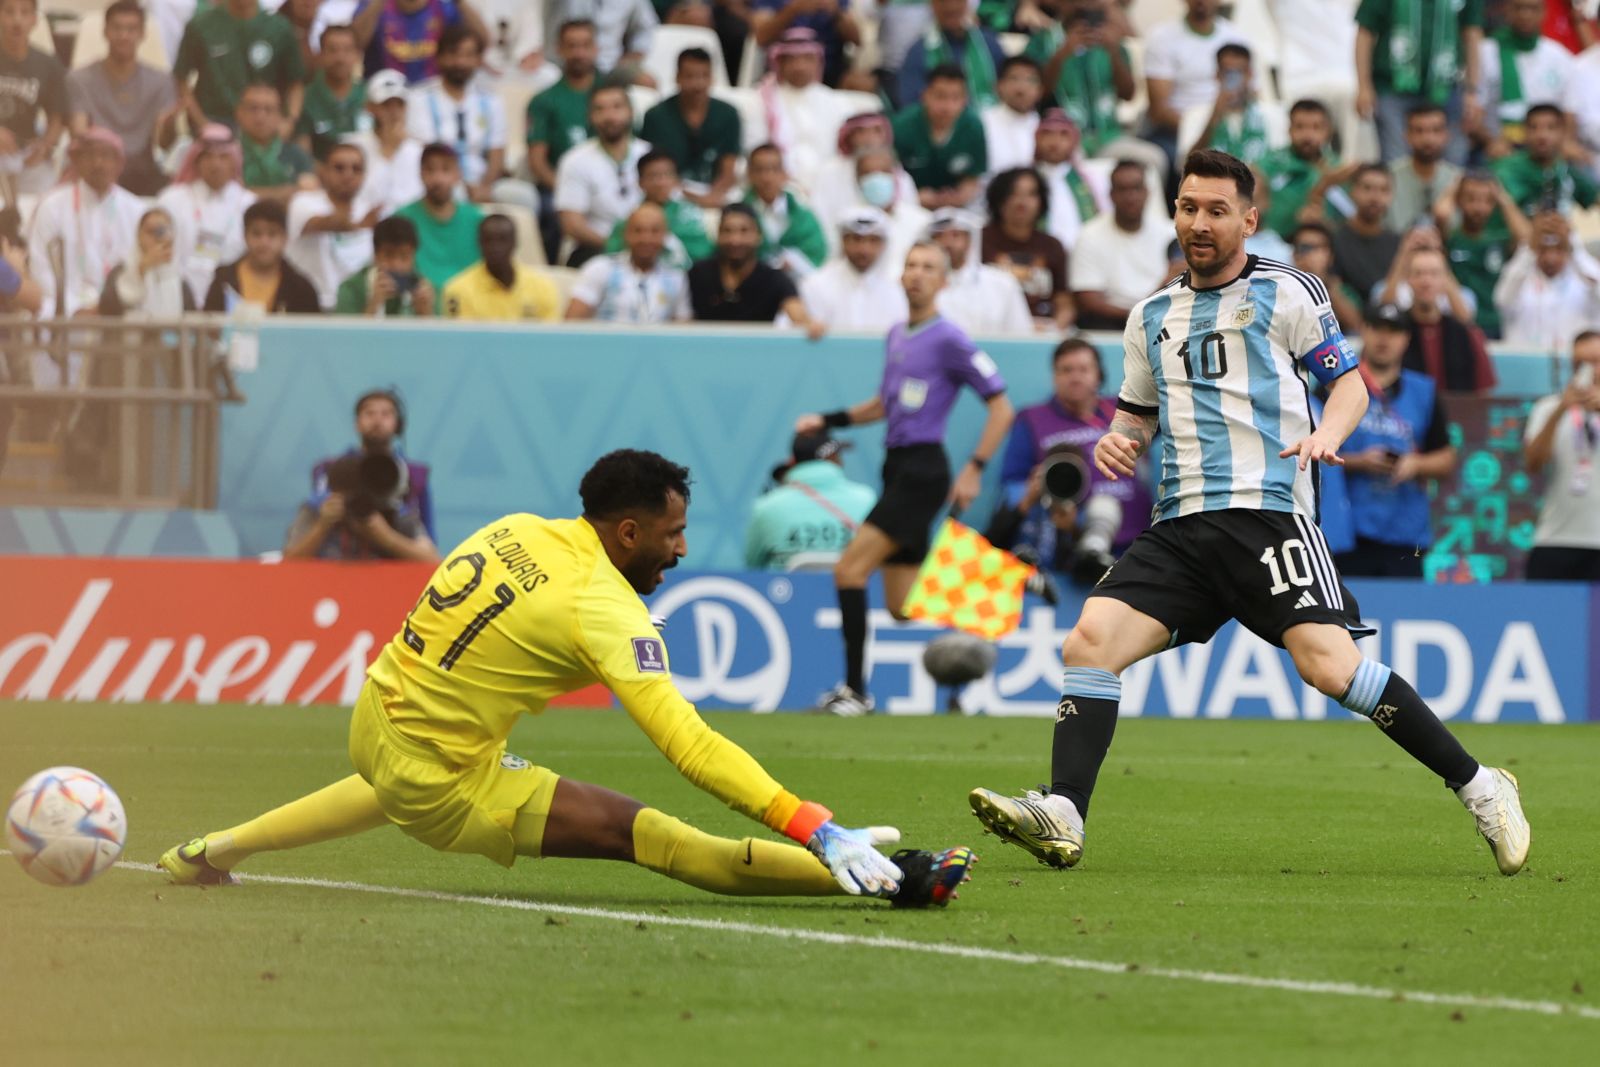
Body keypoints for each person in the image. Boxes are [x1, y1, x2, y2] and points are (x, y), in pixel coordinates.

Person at [967, 148, 1530, 880]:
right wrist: (1118, 439)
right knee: (1089, 641)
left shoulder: (1290, 292)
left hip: (1268, 513)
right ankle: (1066, 810)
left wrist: (1328, 433)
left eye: (1216, 210)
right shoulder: (1150, 315)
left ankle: (1482, 785)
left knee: (1330, 667)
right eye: (1188, 207)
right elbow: (1136, 418)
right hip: (1179, 525)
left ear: (1249, 219)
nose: (1199, 223)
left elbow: (1350, 387)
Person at [159, 448, 976, 908]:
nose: (682, 549)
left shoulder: (516, 525)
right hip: (444, 785)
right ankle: (893, 876)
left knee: (395, 770)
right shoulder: (602, 609)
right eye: (673, 533)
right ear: (628, 531)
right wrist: (811, 821)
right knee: (656, 838)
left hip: (376, 719)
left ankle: (212, 848)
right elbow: (687, 744)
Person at [796, 241, 1014, 715]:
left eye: (928, 268)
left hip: (923, 471)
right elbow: (881, 405)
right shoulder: (897, 333)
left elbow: (1001, 408)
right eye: (910, 265)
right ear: (900, 276)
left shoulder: (950, 339)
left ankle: (855, 692)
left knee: (849, 570)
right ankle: (1006, 584)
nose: (916, 274)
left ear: (943, 281)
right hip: (897, 468)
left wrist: (974, 467)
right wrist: (827, 420)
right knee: (900, 604)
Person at [992, 337, 1152, 576]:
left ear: (1099, 375)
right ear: (1054, 376)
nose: (1075, 377)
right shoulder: (1032, 419)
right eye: (1066, 370)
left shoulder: (1125, 412)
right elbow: (1012, 484)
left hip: (1136, 544)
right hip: (1066, 541)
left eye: (1084, 369)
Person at [1334, 302, 1455, 578]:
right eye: (1377, 328)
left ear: (1406, 338)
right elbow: (1309, 450)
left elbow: (1446, 459)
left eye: (1394, 331)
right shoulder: (1335, 385)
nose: (1384, 338)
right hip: (1347, 531)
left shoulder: (1423, 391)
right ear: (1363, 330)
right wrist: (1358, 462)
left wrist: (1415, 464)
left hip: (1405, 532)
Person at [282, 388, 439, 561]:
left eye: (386, 414)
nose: (377, 420)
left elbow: (432, 557)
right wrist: (323, 524)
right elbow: (290, 558)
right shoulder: (331, 470)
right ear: (357, 423)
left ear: (397, 424)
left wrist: (385, 537)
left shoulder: (412, 479)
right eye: (369, 413)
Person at [27, 128, 145, 317]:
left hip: (119, 315)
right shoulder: (52, 206)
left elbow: (141, 270)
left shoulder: (136, 211)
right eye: (90, 155)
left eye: (106, 156)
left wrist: (109, 307)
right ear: (76, 161)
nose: (98, 163)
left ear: (119, 163)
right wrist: (75, 308)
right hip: (65, 313)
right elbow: (40, 267)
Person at [66, 0, 179, 196]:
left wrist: (170, 125)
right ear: (105, 31)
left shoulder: (161, 81)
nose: (123, 36)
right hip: (96, 166)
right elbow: (79, 133)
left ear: (142, 33)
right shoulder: (79, 79)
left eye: (131, 29)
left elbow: (164, 143)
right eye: (117, 28)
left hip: (142, 171)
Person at [1354, 0, 1483, 165]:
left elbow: (1472, 33)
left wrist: (1471, 91)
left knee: (1453, 160)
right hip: (1393, 87)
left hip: (1447, 88)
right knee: (1396, 160)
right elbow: (1365, 32)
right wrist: (1364, 86)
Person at [1024, 2, 1144, 166]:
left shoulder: (1111, 41)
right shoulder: (1042, 41)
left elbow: (1128, 95)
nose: (1084, 5)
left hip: (1107, 137)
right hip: (1058, 138)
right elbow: (1036, 94)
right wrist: (1063, 53)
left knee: (1151, 159)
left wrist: (1113, 52)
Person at [1523, 331, 1600, 581]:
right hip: (1556, 537)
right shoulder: (1548, 408)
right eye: (1581, 362)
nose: (1590, 369)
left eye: (1596, 360)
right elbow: (1533, 463)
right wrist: (1560, 411)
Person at [405, 24, 510, 204]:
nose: (460, 62)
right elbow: (425, 151)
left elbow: (496, 154)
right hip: (438, 180)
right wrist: (461, 185)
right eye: (453, 54)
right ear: (439, 58)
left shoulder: (491, 101)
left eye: (468, 55)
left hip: (482, 181)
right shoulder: (419, 98)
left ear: (479, 60)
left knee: (522, 196)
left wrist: (484, 187)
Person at [1141, 0, 1248, 173]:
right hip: (1176, 131)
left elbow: (1251, 92)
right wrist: (1201, 126)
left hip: (1227, 125)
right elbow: (1159, 111)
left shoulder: (1236, 37)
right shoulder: (1161, 37)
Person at [1070, 160, 1176, 332]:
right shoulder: (1089, 235)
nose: (1130, 197)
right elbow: (1089, 301)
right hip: (1110, 325)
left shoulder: (1172, 233)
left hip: (1163, 320)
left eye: (1136, 188)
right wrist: (1141, 314)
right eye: (1122, 189)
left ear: (1147, 192)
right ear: (1110, 195)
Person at [747, 431, 877, 570]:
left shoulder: (766, 506)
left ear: (794, 463)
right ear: (833, 458)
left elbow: (752, 568)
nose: (842, 461)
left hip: (790, 591)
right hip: (857, 591)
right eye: (839, 455)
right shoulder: (867, 499)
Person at [527, 19, 600, 258]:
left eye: (585, 45)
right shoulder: (544, 101)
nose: (579, 53)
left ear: (596, 48)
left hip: (608, 187)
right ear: (559, 49)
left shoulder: (613, 97)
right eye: (572, 46)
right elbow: (537, 162)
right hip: (559, 187)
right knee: (549, 211)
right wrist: (570, 191)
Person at [159, 125, 257, 302]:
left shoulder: (249, 203)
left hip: (231, 297)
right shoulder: (171, 199)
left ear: (234, 161)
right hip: (178, 297)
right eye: (208, 157)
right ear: (196, 160)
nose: (215, 164)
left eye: (223, 157)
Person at [688, 203, 821, 332]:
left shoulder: (774, 279)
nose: (735, 240)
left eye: (744, 231)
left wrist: (810, 326)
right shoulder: (698, 274)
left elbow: (799, 316)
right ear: (718, 235)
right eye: (727, 231)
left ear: (759, 235)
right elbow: (680, 320)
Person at [556, 84, 649, 266]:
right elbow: (572, 224)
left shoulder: (650, 155)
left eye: (617, 107)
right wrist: (617, 246)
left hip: (649, 246)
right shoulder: (575, 160)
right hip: (598, 247)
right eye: (600, 109)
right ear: (591, 116)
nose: (609, 116)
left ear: (630, 112)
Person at [175, 0, 306, 129]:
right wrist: (203, 124)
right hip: (216, 122)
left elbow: (296, 83)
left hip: (263, 126)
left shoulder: (279, 28)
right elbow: (181, 78)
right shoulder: (200, 25)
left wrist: (289, 122)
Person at [640, 47, 741, 207]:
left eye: (704, 76)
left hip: (715, 194)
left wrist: (712, 196)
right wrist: (695, 199)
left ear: (712, 78)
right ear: (677, 77)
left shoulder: (728, 114)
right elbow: (652, 169)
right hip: (669, 194)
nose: (698, 84)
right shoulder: (656, 116)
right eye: (690, 76)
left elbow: (728, 170)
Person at [758, 28, 853, 192]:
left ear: (818, 62)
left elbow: (845, 154)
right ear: (779, 63)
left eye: (807, 59)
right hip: (778, 186)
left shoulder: (837, 103)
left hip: (830, 186)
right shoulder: (762, 101)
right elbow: (757, 151)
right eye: (792, 60)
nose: (799, 67)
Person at [287, 142, 380, 309]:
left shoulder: (369, 210)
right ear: (323, 172)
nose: (348, 175)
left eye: (356, 169)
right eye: (339, 168)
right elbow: (321, 223)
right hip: (310, 306)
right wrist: (356, 225)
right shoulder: (304, 202)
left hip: (355, 308)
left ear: (364, 175)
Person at [1437, 170, 1528, 340]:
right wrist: (1454, 187)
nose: (1478, 207)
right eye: (1470, 199)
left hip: (1494, 323)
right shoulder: (1450, 237)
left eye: (1487, 201)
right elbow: (1441, 215)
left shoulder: (1499, 239)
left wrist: (1503, 199)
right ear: (1458, 200)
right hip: (1456, 322)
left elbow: (1527, 241)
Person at [1476, 0, 1574, 157]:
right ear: (1506, 10)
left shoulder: (1559, 57)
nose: (1525, 14)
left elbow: (1570, 111)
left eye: (1532, 8)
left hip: (1548, 148)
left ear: (1544, 12)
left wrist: (1564, 142)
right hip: (1498, 145)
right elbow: (1474, 112)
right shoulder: (1484, 52)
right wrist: (1491, 141)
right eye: (1519, 7)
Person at [566, 202, 692, 322]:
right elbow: (572, 324)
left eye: (655, 231)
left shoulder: (676, 277)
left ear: (665, 235)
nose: (646, 239)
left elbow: (683, 330)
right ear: (626, 234)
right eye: (638, 230)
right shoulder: (600, 268)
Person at [1493, 212, 1600, 353]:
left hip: (1574, 366)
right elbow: (1501, 299)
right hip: (1526, 367)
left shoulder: (1584, 282)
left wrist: (1574, 244)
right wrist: (1528, 246)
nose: (1550, 258)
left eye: (1559, 250)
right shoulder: (1520, 281)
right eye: (1543, 250)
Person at [981, 166, 1071, 330]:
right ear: (999, 198)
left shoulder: (1052, 245)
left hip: (1044, 329)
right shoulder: (980, 241)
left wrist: (1054, 330)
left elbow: (1064, 301)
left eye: (1031, 194)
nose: (1022, 202)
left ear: (1041, 201)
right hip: (994, 328)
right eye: (1014, 193)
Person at [1398, 244, 1496, 393]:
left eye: (1434, 274)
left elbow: (1482, 394)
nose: (1426, 282)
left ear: (1445, 280)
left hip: (1458, 413)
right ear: (1407, 279)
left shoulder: (1467, 334)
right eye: (1418, 273)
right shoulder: (1393, 330)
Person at [1256, 98, 1353, 241]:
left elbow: (1351, 220)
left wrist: (1324, 224)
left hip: (1328, 247)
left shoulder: (1340, 170)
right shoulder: (1269, 164)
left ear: (1328, 131)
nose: (1308, 135)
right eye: (1300, 127)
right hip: (1276, 246)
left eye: (1316, 127)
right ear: (1289, 130)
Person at [893, 64, 987, 210]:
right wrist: (915, 196)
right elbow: (892, 176)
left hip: (957, 208)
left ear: (965, 100)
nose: (947, 106)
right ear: (925, 95)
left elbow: (973, 178)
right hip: (910, 205)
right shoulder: (902, 127)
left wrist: (959, 197)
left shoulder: (973, 127)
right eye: (940, 96)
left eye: (955, 98)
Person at [204, 198, 324, 313]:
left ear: (285, 238)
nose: (264, 243)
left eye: (272, 234)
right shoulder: (223, 280)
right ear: (245, 236)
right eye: (256, 234)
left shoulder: (301, 289)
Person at [797, 207, 907, 332]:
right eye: (856, 239)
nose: (864, 249)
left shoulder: (898, 289)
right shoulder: (816, 285)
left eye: (872, 240)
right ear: (843, 241)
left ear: (883, 244)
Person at [927, 206, 1032, 336]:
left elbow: (1021, 336)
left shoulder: (1002, 284)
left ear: (970, 240)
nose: (948, 242)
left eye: (956, 235)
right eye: (939, 236)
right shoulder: (920, 284)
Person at [395, 143, 487, 291]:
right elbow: (396, 272)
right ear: (420, 174)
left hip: (469, 308)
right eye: (430, 170)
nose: (438, 178)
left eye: (446, 169)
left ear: (458, 174)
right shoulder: (401, 220)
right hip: (418, 307)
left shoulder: (477, 219)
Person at [0, 0, 69, 196]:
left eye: (24, 12)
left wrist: (45, 145)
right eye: (9, 12)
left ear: (35, 19)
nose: (17, 20)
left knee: (45, 201)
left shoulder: (48, 64)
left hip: (25, 155)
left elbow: (57, 117)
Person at [1177, 42, 1285, 167]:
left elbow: (1281, 164)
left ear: (1250, 74)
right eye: (1228, 73)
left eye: (1239, 73)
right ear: (1217, 75)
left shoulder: (1272, 114)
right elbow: (1185, 166)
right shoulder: (1195, 115)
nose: (1234, 81)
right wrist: (1214, 117)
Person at [603, 150, 712, 271]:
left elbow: (704, 254)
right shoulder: (629, 219)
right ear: (640, 182)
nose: (661, 182)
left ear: (676, 180)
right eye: (653, 176)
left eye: (668, 175)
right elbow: (613, 256)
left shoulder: (690, 215)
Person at [442, 213, 561, 321]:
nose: (495, 247)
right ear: (479, 243)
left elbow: (550, 339)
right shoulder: (457, 290)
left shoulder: (542, 288)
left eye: (503, 240)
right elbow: (461, 340)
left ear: (514, 243)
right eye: (488, 240)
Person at [1491, 104, 1598, 218]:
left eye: (1551, 128)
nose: (1542, 135)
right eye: (1534, 128)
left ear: (1562, 132)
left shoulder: (1567, 170)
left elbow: (1594, 197)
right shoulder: (1505, 169)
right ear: (1524, 132)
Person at [897, 0, 1006, 110]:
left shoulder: (989, 44)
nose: (951, 7)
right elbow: (911, 104)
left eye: (957, 1)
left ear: (967, 3)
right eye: (943, 2)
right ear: (932, 5)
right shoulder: (919, 52)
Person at [352, 0, 490, 85]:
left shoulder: (444, 9)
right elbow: (354, 45)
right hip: (383, 99)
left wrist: (460, 1)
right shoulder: (371, 6)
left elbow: (484, 41)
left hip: (432, 100)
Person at [742, 143, 826, 275]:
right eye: (760, 170)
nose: (767, 177)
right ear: (749, 174)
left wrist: (794, 262)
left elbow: (816, 257)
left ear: (785, 174)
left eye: (774, 169)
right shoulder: (738, 214)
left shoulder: (803, 215)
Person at [97, 206, 197, 317]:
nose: (157, 238)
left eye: (162, 231)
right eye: (150, 231)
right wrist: (141, 270)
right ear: (139, 235)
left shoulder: (180, 281)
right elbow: (107, 310)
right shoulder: (120, 272)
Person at [349, 69, 425, 216]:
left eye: (399, 105)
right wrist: (388, 151)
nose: (394, 112)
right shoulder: (352, 147)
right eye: (386, 105)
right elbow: (361, 199)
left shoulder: (418, 151)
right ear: (370, 108)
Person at [335, 214, 437, 316]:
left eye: (404, 256)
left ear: (414, 256)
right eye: (388, 255)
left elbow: (438, 330)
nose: (396, 265)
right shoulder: (351, 289)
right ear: (375, 255)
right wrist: (374, 305)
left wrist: (425, 314)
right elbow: (343, 332)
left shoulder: (425, 290)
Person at [1032, 109, 1105, 251]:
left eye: (1063, 135)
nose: (1055, 142)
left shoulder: (1092, 180)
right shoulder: (1028, 180)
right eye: (1047, 134)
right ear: (1037, 139)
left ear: (1074, 140)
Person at [1329, 164, 1401, 307]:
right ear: (1352, 191)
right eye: (1367, 188)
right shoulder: (1334, 239)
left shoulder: (1398, 243)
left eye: (1383, 190)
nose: (1375, 197)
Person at [296, 24, 367, 162]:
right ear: (321, 54)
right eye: (333, 50)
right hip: (320, 177)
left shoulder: (370, 96)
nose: (340, 58)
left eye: (347, 50)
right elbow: (303, 152)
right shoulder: (305, 98)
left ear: (357, 55)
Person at [751, 0, 860, 89]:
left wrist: (837, 12)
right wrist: (794, 9)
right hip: (781, 75)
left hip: (830, 75)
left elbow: (857, 40)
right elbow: (761, 38)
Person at [1386, 104, 1460, 232]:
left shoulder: (1460, 180)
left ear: (1447, 135)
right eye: (1419, 131)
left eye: (1436, 130)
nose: (1428, 139)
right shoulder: (1387, 177)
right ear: (1406, 136)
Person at [237, 83, 318, 200]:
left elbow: (309, 192)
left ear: (279, 116)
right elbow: (228, 197)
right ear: (239, 113)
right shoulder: (228, 153)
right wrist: (287, 192)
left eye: (268, 110)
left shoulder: (296, 154)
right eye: (253, 109)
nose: (260, 117)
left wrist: (250, 193)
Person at [1290, 221, 1364, 334]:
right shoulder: (1283, 285)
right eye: (1305, 248)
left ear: (1330, 256)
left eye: (1318, 248)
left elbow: (1356, 326)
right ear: (1294, 254)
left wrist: (1323, 282)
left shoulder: (1339, 288)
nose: (1312, 255)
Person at [550, 0, 657, 75]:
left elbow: (645, 28)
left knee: (647, 82)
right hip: (565, 64)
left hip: (612, 66)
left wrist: (633, 57)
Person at [981, 56, 1045, 176]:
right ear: (998, 86)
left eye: (1030, 80)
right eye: (1014, 78)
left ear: (1040, 91)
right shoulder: (981, 123)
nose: (1021, 88)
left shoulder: (1045, 128)